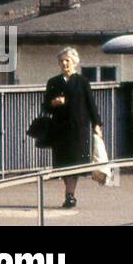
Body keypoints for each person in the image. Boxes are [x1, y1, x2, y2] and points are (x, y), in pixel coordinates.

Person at [44, 47, 103, 209]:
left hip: (78, 128)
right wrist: (53, 103)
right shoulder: (53, 82)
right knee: (63, 163)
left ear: (74, 62)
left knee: (75, 162)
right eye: (61, 60)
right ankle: (68, 191)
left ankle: (70, 194)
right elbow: (45, 107)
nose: (64, 63)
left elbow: (91, 104)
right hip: (60, 129)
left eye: (67, 60)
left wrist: (97, 124)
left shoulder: (82, 82)